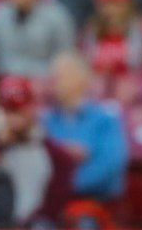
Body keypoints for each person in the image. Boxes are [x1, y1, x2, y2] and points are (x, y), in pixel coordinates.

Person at [42, 53, 127, 205]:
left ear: (80, 81)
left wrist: (64, 185)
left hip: (94, 202)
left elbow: (108, 166)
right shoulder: (45, 120)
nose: (53, 83)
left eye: (60, 77)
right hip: (50, 202)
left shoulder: (104, 120)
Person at [0, 75, 73, 230]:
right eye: (10, 111)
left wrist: (36, 215)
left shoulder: (53, 153)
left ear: (31, 109)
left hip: (37, 221)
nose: (15, 118)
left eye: (20, 111)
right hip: (1, 220)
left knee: (41, 227)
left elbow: (56, 198)